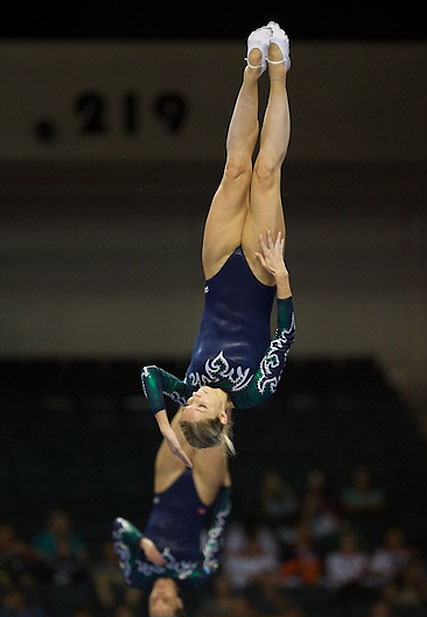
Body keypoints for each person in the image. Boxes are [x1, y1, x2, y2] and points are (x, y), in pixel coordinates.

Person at [141, 20, 295, 465]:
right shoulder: (253, 392)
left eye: (187, 405)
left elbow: (150, 373)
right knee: (266, 174)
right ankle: (280, 75)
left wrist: (164, 425)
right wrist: (282, 277)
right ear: (224, 417)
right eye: (200, 406)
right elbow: (283, 335)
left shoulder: (186, 388)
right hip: (264, 271)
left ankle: (250, 74)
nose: (194, 398)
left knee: (234, 170)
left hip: (218, 267)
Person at [112, 407, 232, 617]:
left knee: (189, 407)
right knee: (219, 410)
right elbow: (218, 530)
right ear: (178, 603)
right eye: (164, 600)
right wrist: (225, 491)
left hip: (166, 484)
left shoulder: (135, 575)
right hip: (203, 491)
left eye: (154, 601)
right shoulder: (197, 575)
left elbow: (118, 527)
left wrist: (143, 542)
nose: (158, 594)